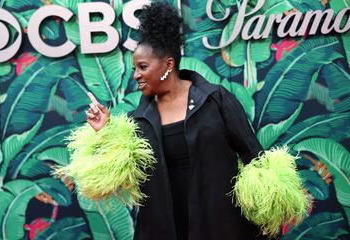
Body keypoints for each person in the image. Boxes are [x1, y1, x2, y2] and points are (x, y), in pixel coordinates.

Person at [80, 2, 307, 240]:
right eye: (134, 68)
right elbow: (123, 176)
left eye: (142, 67)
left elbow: (253, 155)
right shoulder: (138, 120)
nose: (136, 75)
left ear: (168, 64)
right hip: (165, 229)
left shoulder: (215, 100)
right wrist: (104, 131)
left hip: (221, 226)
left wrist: (271, 208)